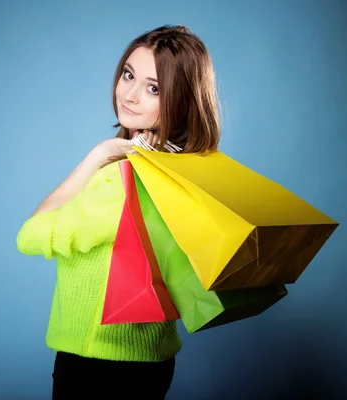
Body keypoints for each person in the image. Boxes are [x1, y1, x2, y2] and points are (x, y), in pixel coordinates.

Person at [16, 25, 221, 399]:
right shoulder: (186, 171)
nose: (129, 94)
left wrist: (96, 156)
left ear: (182, 99)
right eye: (128, 74)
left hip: (97, 361)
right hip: (154, 359)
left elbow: (30, 236)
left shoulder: (121, 181)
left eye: (153, 88)